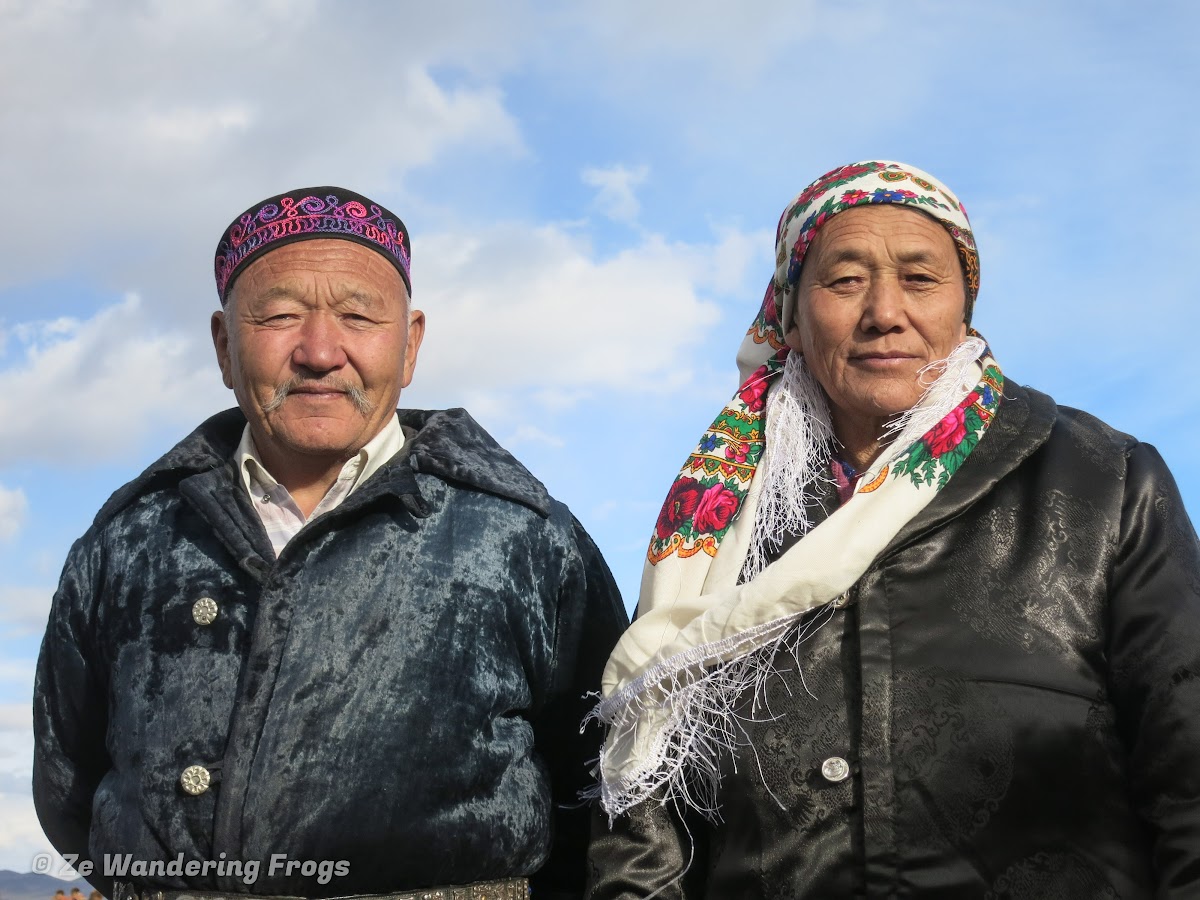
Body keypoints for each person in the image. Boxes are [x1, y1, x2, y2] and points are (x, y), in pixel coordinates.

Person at [585, 161, 1200, 898]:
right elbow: (645, 825)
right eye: (844, 281)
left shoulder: (1105, 482)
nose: (884, 312)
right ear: (790, 314)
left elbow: (1187, 777)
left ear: (964, 310)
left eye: (920, 279)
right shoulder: (717, 519)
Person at [33, 186, 627, 900]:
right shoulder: (125, 543)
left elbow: (607, 783)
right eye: (279, 316)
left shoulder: (525, 539)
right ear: (225, 346)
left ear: (409, 345)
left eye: (358, 315)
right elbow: (68, 782)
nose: (320, 351)